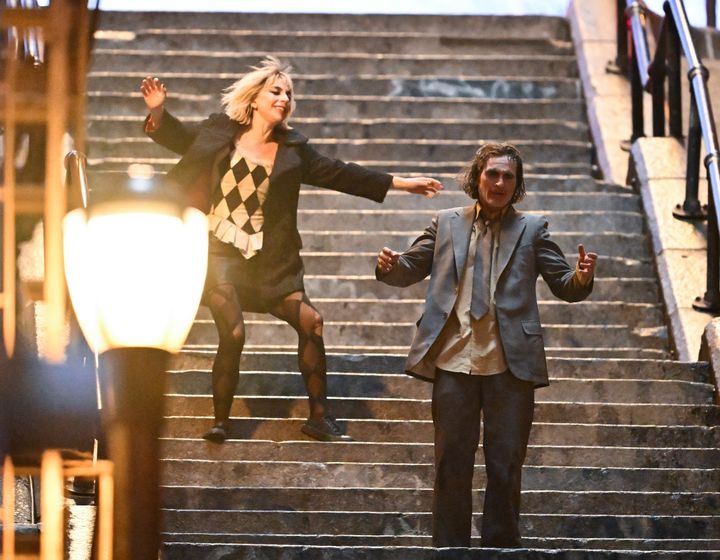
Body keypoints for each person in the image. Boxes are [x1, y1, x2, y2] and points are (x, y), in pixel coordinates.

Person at [140, 57, 442, 444]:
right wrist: (158, 111)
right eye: (276, 91)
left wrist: (403, 183)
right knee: (232, 332)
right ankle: (220, 421)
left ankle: (320, 418)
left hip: (270, 264)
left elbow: (343, 173)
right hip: (219, 255)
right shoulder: (220, 132)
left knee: (312, 322)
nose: (283, 98)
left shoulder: (294, 150)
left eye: (288, 94)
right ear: (254, 99)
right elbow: (178, 136)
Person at [375, 143, 597, 548]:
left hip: (509, 365)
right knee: (450, 463)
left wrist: (581, 278)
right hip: (454, 360)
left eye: (508, 177)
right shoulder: (445, 222)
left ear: (517, 186)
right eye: (491, 174)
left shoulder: (532, 228)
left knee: (506, 464)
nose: (498, 183)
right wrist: (389, 266)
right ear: (476, 178)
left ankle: (500, 547)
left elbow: (563, 284)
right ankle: (449, 547)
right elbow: (410, 266)